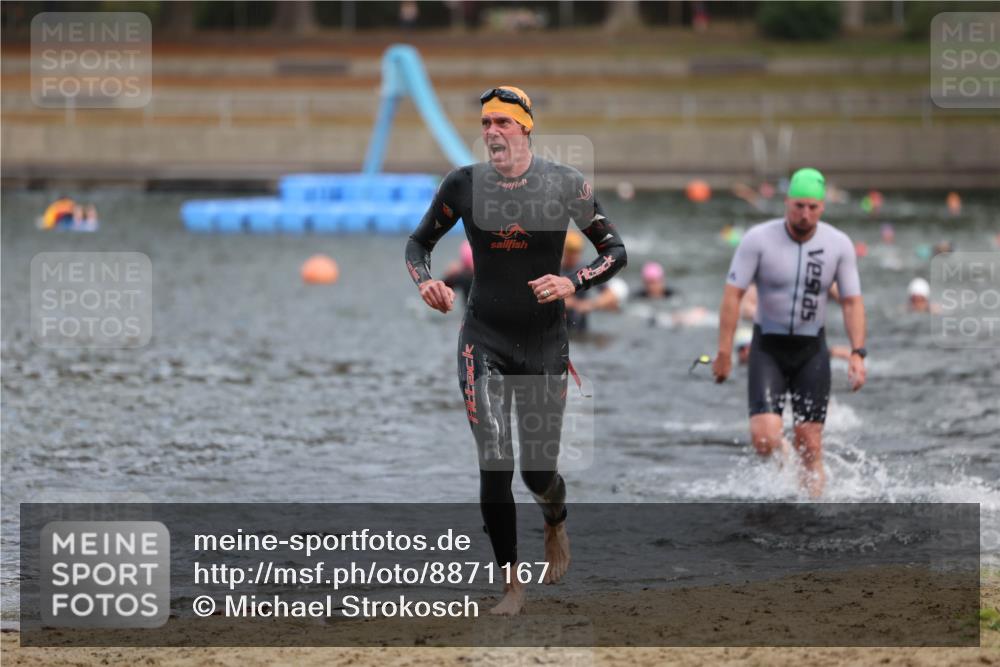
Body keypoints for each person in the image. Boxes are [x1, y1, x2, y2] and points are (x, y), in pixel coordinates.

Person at [404, 86, 627, 615]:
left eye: (502, 122)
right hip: (483, 338)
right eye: (485, 123)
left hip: (546, 345)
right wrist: (425, 282)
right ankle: (511, 586)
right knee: (494, 461)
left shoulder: (564, 184)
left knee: (536, 473)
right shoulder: (463, 185)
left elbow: (615, 250)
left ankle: (555, 520)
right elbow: (418, 245)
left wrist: (575, 282)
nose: (491, 132)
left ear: (525, 128)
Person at [712, 167, 867, 498]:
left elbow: (852, 302)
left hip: (812, 350)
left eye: (812, 207)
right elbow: (732, 295)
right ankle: (787, 465)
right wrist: (724, 352)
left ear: (823, 207)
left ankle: (812, 508)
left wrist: (858, 352)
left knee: (810, 441)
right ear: (787, 203)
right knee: (765, 440)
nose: (805, 214)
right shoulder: (758, 239)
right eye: (798, 206)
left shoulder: (838, 244)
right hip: (768, 348)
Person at [561, 231, 626, 333]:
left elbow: (611, 295)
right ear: (564, 250)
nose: (574, 255)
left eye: (577, 251)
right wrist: (570, 303)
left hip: (580, 325)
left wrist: (590, 304)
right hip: (559, 324)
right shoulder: (555, 269)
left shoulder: (585, 269)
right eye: (571, 250)